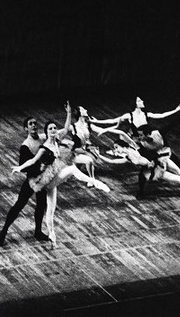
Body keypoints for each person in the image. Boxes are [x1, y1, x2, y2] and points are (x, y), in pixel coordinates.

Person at [12, 102, 111, 249]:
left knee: (50, 211)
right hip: (47, 179)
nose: (54, 130)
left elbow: (65, 128)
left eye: (54, 128)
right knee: (72, 169)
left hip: (53, 181)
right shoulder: (45, 146)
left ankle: (52, 236)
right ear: (47, 132)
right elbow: (32, 160)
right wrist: (19, 167)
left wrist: (69, 113)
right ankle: (95, 182)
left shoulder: (57, 139)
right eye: (51, 129)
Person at [0, 116, 49, 247]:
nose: (34, 126)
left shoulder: (42, 138)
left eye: (35, 123)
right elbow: (24, 166)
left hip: (43, 179)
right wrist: (39, 166)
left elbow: (62, 131)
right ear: (26, 128)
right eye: (31, 124)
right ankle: (4, 231)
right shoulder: (26, 145)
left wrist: (69, 113)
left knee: (41, 205)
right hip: (32, 179)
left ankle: (38, 231)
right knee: (19, 204)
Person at [90, 97, 180, 139]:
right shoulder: (129, 115)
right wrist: (97, 121)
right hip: (136, 140)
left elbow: (162, 115)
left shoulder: (147, 114)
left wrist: (176, 110)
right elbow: (113, 120)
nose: (142, 101)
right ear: (135, 104)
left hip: (146, 139)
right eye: (139, 100)